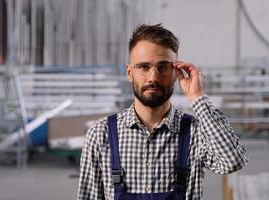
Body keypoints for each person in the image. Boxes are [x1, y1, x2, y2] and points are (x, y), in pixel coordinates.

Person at [77, 23, 248, 200]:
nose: (153, 77)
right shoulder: (101, 134)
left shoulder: (195, 132)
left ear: (176, 73)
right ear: (130, 73)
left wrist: (197, 96)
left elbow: (233, 161)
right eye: (143, 67)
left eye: (163, 67)